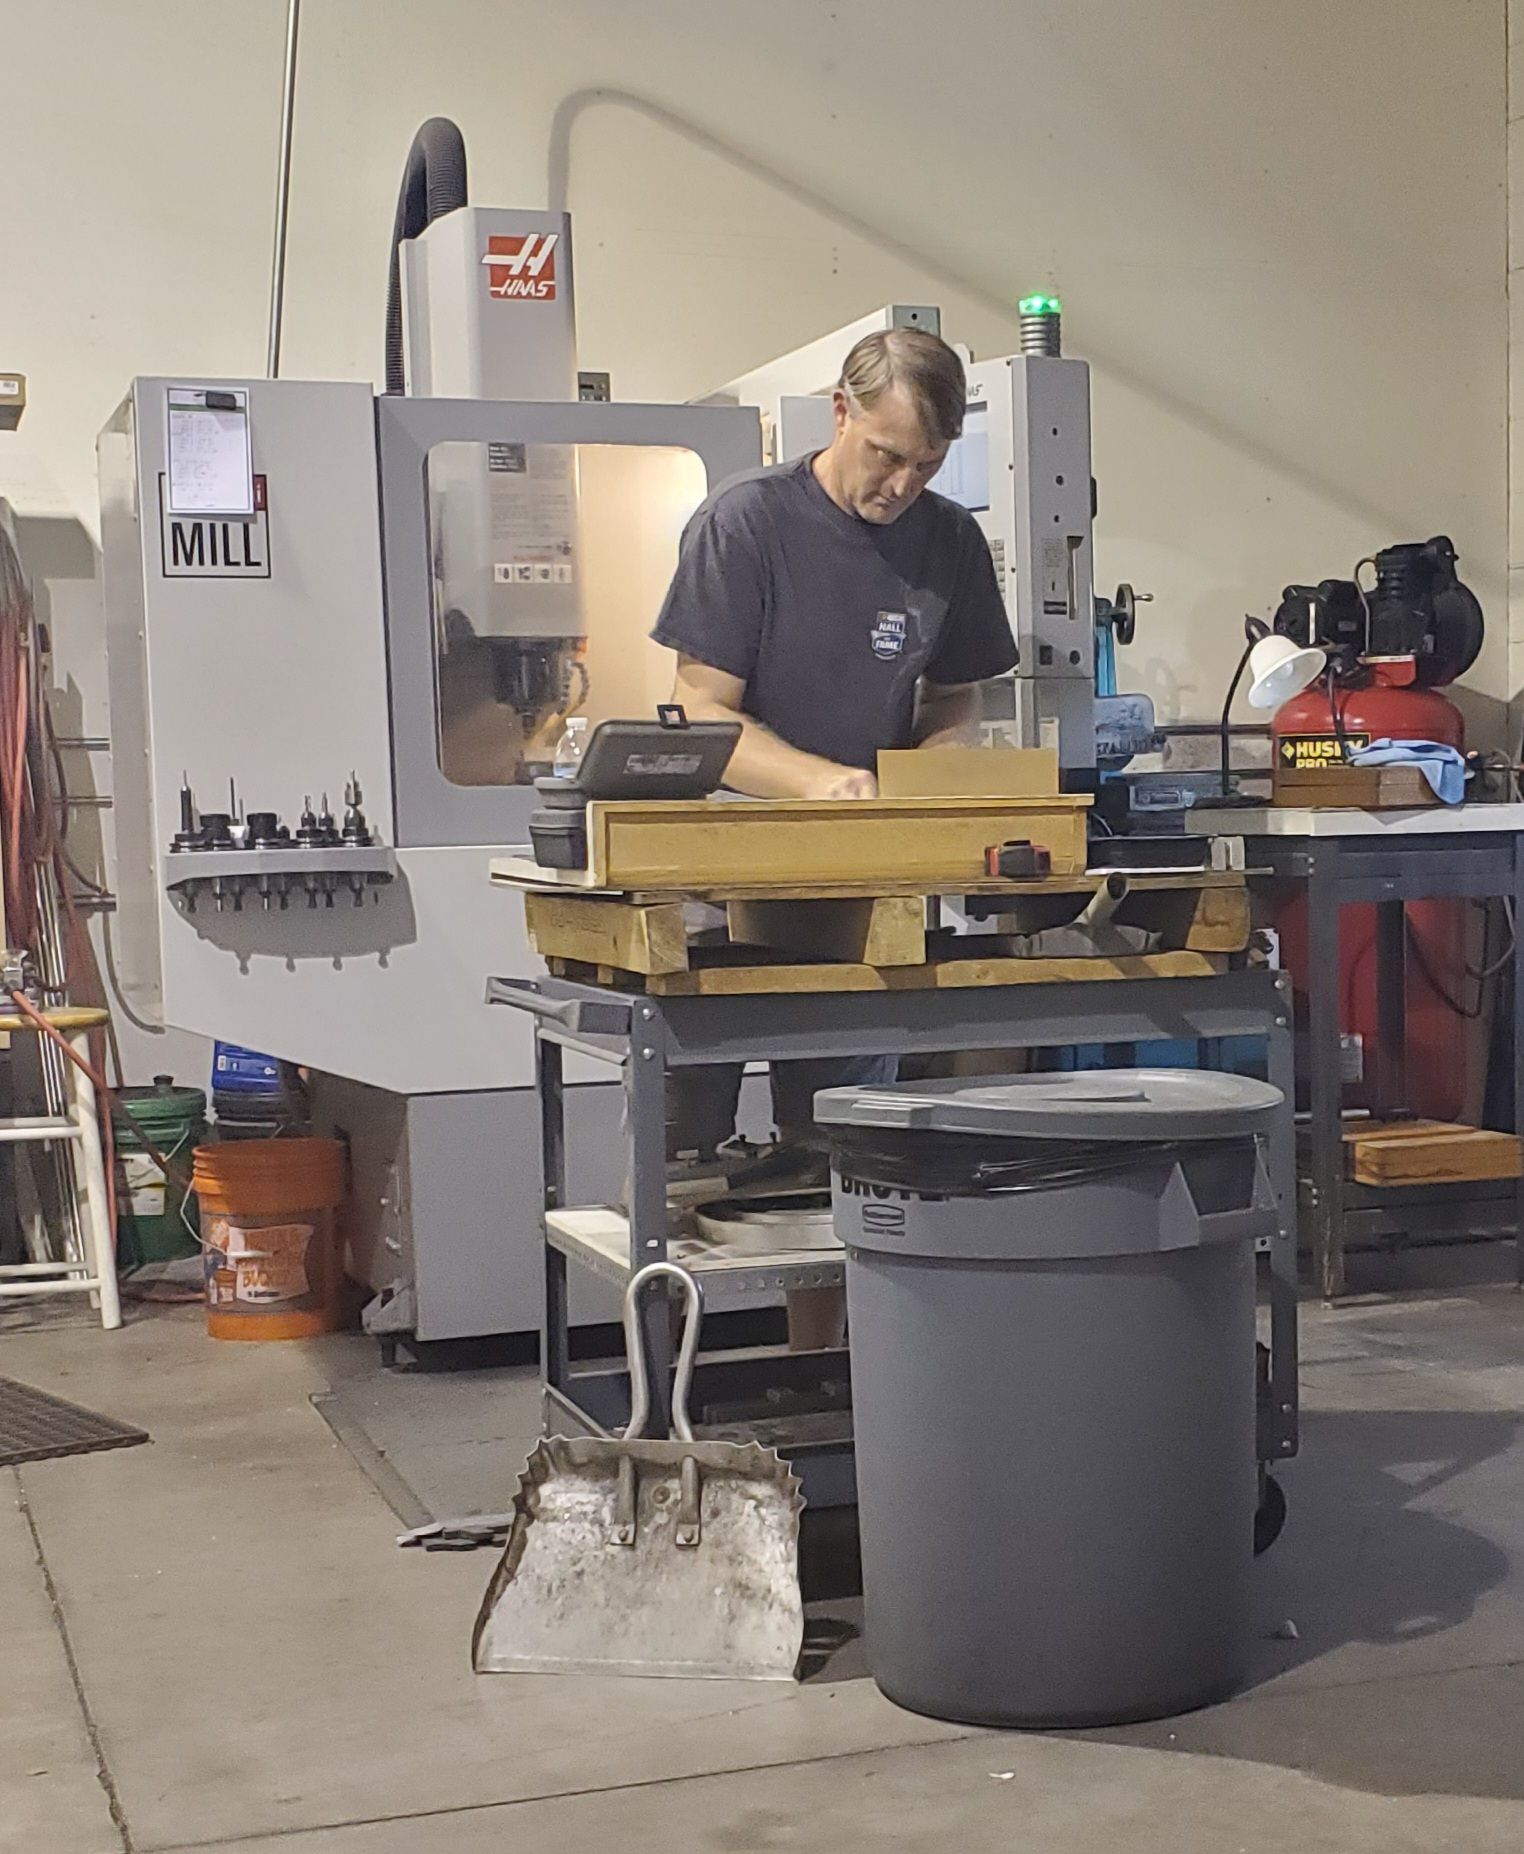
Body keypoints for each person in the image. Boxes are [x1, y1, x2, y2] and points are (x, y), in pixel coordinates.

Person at [650, 325, 1016, 1172]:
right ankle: (675, 1307)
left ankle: (837, 1306)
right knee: (680, 1156)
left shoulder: (949, 542)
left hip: (859, 890)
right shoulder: (747, 523)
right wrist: (826, 785)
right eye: (886, 455)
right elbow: (701, 710)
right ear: (840, 411)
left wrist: (933, 771)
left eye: (926, 465)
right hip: (721, 887)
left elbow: (957, 689)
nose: (901, 485)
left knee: (845, 1153)